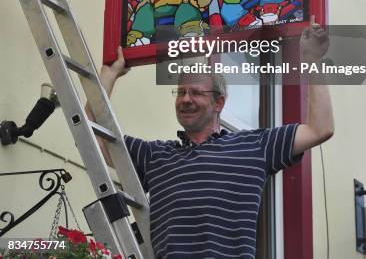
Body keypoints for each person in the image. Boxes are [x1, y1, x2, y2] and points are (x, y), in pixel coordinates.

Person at [93, 18, 334, 259]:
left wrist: (313, 60)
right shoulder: (155, 156)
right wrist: (108, 75)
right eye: (180, 92)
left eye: (196, 92)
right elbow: (96, 142)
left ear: (218, 103)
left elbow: (320, 129)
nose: (185, 99)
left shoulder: (254, 147)